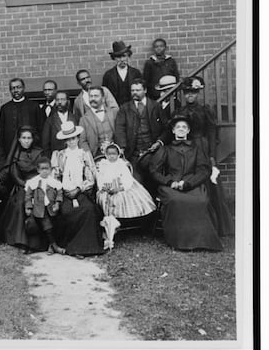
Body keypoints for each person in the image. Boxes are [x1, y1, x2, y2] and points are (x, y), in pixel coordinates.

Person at [150, 115, 222, 251]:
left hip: (191, 184)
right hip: (171, 185)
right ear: (173, 131)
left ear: (188, 131)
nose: (181, 129)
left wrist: (188, 183)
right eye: (178, 127)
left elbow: (203, 170)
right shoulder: (166, 149)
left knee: (201, 200)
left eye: (184, 127)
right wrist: (169, 181)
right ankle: (181, 241)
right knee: (176, 200)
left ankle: (202, 241)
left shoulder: (196, 148)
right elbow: (154, 171)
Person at [174, 76, 234, 236]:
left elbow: (212, 133)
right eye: (187, 93)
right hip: (187, 148)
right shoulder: (180, 111)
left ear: (198, 93)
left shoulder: (205, 110)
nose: (189, 96)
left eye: (193, 92)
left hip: (202, 147)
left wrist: (212, 156)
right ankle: (194, 224)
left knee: (209, 182)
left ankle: (217, 225)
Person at [50, 121, 105, 256]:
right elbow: (54, 177)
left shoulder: (84, 154)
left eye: (73, 138)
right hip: (64, 192)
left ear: (78, 138)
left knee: (88, 209)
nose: (71, 141)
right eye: (68, 139)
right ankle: (69, 245)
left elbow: (91, 177)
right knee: (67, 211)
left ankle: (84, 247)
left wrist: (79, 189)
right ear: (65, 141)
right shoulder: (59, 155)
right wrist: (62, 190)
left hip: (81, 191)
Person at [96, 143, 156, 250]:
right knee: (106, 199)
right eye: (109, 154)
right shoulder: (103, 165)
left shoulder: (121, 165)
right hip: (107, 188)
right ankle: (109, 226)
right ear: (106, 155)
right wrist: (103, 187)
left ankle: (121, 223)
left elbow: (128, 180)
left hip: (121, 188)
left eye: (114, 154)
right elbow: (100, 179)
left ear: (118, 154)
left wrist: (120, 188)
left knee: (123, 199)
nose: (111, 156)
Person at [0, 126, 48, 254]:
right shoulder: (15, 155)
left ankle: (37, 244)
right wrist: (27, 186)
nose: (26, 141)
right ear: (19, 140)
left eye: (29, 138)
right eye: (24, 138)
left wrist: (36, 185)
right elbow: (15, 176)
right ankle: (22, 242)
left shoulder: (39, 152)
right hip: (23, 186)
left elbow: (44, 171)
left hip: (39, 185)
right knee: (21, 203)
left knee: (40, 202)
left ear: (33, 139)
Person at [114, 79, 167, 194]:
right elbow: (120, 128)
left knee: (155, 181)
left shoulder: (155, 106)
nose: (134, 93)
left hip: (153, 153)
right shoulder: (125, 108)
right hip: (134, 152)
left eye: (138, 90)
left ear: (145, 90)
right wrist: (122, 148)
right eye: (132, 90)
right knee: (136, 184)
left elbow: (166, 128)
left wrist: (158, 142)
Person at [24, 157, 65, 255]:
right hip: (39, 208)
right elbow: (28, 196)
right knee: (47, 224)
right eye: (42, 169)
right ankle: (55, 246)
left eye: (47, 169)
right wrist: (28, 207)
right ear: (38, 170)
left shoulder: (54, 182)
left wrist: (57, 203)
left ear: (50, 170)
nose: (45, 171)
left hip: (51, 208)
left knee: (55, 224)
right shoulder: (33, 182)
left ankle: (51, 246)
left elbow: (59, 193)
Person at [0, 78, 43, 157]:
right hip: (10, 150)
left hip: (31, 150)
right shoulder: (5, 108)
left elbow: (40, 128)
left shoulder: (33, 106)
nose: (16, 90)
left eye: (18, 87)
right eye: (13, 88)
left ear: (23, 88)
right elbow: (1, 132)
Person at [78, 86, 118, 158]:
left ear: (103, 99)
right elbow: (82, 142)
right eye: (91, 96)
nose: (93, 99)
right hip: (96, 156)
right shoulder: (84, 119)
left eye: (96, 96)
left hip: (116, 153)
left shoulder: (113, 113)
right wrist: (89, 158)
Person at [102, 41, 143, 107]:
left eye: (124, 56)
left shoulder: (136, 73)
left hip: (133, 108)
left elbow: (141, 92)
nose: (122, 59)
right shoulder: (108, 75)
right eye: (118, 57)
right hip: (116, 109)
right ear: (114, 58)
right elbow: (105, 95)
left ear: (128, 56)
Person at [41, 90, 78, 156]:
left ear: (68, 102)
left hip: (74, 155)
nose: (59, 102)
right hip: (57, 157)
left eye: (62, 99)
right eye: (57, 100)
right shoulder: (50, 120)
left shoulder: (75, 118)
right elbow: (45, 144)